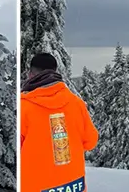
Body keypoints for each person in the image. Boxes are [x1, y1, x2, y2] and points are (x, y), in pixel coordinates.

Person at [21, 52, 98, 192]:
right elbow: (91, 141)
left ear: (30, 74)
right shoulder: (76, 103)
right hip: (74, 185)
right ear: (56, 72)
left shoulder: (22, 108)